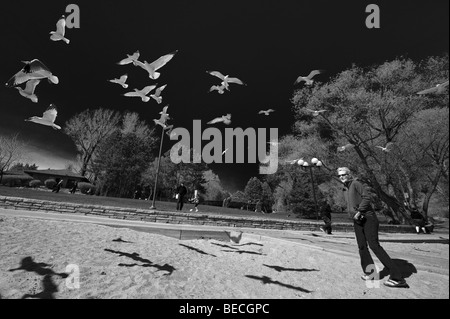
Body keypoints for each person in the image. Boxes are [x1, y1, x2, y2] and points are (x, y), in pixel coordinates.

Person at [338, 167, 407, 288]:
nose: (341, 177)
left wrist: (360, 210)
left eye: (344, 174)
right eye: (339, 175)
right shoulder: (345, 188)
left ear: (349, 174)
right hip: (357, 220)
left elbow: (367, 197)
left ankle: (398, 277)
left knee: (374, 245)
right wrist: (353, 214)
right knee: (362, 246)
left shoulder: (356, 183)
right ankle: (371, 273)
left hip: (368, 218)